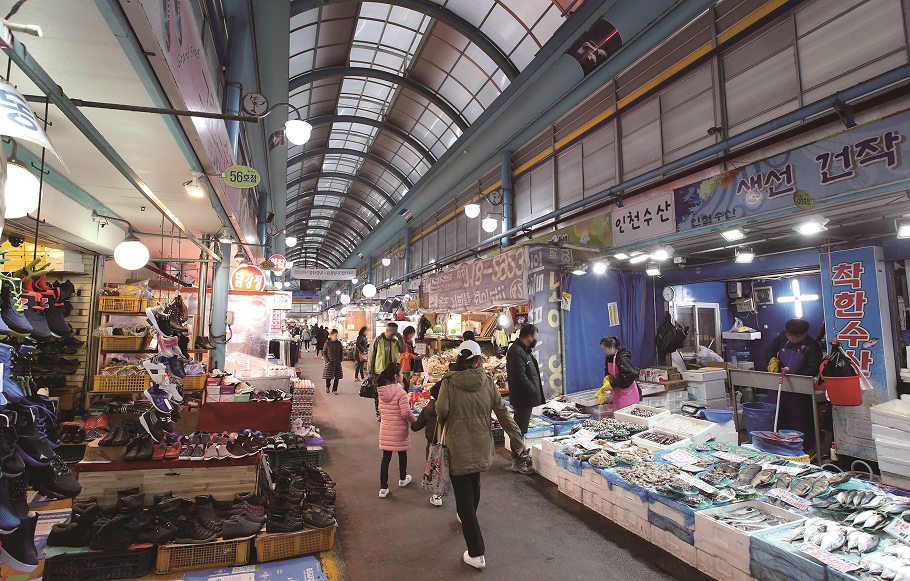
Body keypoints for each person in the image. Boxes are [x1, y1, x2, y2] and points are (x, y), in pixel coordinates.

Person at [436, 341, 524, 570]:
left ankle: (476, 553)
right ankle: (467, 519)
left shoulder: (449, 382)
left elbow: (441, 411)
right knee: (474, 483)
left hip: (458, 446)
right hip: (482, 445)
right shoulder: (488, 383)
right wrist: (516, 439)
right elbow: (503, 413)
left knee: (464, 499)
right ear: (478, 361)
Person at [764, 318, 825, 451]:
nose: (791, 338)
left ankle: (802, 448)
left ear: (805, 334)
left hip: (799, 392)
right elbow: (771, 349)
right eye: (789, 335)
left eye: (795, 336)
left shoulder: (812, 347)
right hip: (778, 386)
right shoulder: (782, 337)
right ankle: (775, 445)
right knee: (776, 417)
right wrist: (772, 360)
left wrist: (796, 377)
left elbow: (813, 368)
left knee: (799, 421)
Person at [505, 323, 544, 474]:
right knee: (519, 430)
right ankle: (518, 461)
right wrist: (532, 390)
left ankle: (520, 457)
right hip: (522, 398)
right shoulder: (516, 351)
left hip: (525, 397)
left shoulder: (523, 350)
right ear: (529, 336)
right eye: (535, 337)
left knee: (520, 429)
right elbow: (518, 375)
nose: (536, 339)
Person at [376, 362, 416, 498]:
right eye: (400, 373)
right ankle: (403, 479)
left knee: (386, 457)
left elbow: (380, 410)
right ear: (395, 376)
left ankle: (383, 488)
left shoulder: (382, 391)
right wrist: (415, 422)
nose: (402, 375)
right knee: (402, 454)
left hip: (386, 428)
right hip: (399, 429)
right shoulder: (401, 392)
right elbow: (406, 413)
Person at [410, 382, 442, 507]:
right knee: (445, 466)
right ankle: (442, 489)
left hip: (432, 443)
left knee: (432, 466)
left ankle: (436, 493)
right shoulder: (449, 409)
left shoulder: (428, 409)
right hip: (447, 442)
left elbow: (416, 427)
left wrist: (411, 420)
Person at [369, 322, 405, 421]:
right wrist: (370, 372)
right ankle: (378, 412)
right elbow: (371, 356)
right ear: (387, 331)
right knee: (379, 394)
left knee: (392, 393)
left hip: (392, 372)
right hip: (380, 371)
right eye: (393, 333)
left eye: (396, 333)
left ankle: (389, 412)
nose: (394, 335)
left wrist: (400, 338)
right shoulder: (377, 340)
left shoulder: (395, 341)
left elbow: (403, 350)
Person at [600, 336, 640, 410]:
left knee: (627, 418)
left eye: (605, 349)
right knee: (618, 417)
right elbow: (607, 370)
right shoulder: (609, 357)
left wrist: (612, 384)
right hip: (617, 393)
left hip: (628, 394)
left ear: (612, 347)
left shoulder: (622, 358)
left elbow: (630, 374)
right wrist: (608, 377)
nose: (604, 351)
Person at [322, 329, 344, 394]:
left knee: (337, 377)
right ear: (331, 336)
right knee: (328, 377)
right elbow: (324, 352)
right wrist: (327, 360)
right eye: (334, 335)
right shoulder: (327, 343)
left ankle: (334, 390)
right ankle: (327, 386)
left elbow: (341, 352)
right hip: (330, 363)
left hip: (337, 362)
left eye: (336, 335)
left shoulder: (339, 343)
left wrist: (340, 359)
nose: (335, 337)